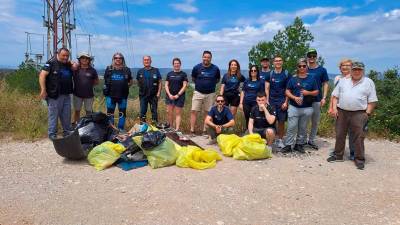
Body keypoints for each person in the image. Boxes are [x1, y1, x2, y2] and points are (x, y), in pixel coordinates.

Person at [328, 61, 378, 170]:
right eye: (354, 69)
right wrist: (334, 108)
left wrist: (367, 114)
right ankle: (338, 155)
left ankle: (359, 159)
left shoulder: (368, 82)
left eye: (359, 69)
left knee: (358, 137)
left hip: (359, 113)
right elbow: (335, 96)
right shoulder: (343, 81)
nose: (356, 71)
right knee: (340, 134)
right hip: (342, 112)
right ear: (351, 70)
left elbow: (372, 100)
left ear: (363, 71)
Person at [281, 58, 319, 153]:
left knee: (303, 128)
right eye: (300, 66)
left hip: (307, 107)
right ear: (297, 67)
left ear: (306, 67)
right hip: (294, 107)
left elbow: (316, 92)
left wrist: (308, 92)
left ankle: (299, 144)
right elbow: (287, 91)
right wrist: (294, 97)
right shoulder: (293, 79)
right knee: (291, 127)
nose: (302, 68)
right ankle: (288, 145)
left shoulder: (312, 78)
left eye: (304, 66)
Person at [39, 47, 75, 139]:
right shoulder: (50, 63)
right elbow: (42, 75)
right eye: (63, 55)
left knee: (66, 115)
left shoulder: (67, 64)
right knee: (53, 115)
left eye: (67, 56)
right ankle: (52, 134)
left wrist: (73, 63)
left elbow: (74, 67)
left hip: (66, 94)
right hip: (54, 95)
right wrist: (43, 90)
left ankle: (67, 132)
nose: (65, 57)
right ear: (58, 54)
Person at [328, 58, 355, 159]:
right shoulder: (337, 78)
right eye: (343, 65)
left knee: (353, 132)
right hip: (339, 108)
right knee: (340, 132)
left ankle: (353, 153)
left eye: (348, 65)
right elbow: (334, 94)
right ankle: (338, 152)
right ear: (340, 68)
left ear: (352, 67)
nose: (345, 67)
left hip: (353, 110)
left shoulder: (355, 77)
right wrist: (331, 107)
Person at [190, 51, 221, 135]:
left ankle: (205, 131)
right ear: (202, 57)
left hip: (210, 94)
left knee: (208, 112)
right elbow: (193, 78)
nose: (206, 59)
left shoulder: (215, 68)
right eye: (205, 57)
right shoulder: (197, 67)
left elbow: (217, 80)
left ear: (211, 58)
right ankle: (192, 130)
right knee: (194, 111)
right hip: (198, 93)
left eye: (208, 57)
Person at [265, 55, 291, 148]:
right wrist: (267, 100)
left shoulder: (286, 74)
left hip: (282, 101)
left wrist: (286, 102)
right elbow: (267, 88)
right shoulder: (270, 74)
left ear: (282, 62)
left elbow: (288, 89)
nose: (278, 62)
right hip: (271, 101)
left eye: (280, 60)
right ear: (273, 63)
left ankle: (280, 140)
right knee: (271, 121)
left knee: (281, 121)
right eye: (276, 61)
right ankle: (272, 139)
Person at [306, 48, 329, 150]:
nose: (311, 58)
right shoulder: (303, 68)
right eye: (310, 56)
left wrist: (324, 97)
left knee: (315, 121)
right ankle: (301, 140)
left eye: (313, 56)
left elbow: (325, 84)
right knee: (303, 121)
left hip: (317, 99)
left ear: (316, 57)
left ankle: (311, 140)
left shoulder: (322, 70)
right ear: (307, 57)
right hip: (304, 100)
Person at [103, 52, 132, 130]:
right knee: (110, 114)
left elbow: (130, 81)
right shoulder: (108, 69)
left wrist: (124, 86)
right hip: (110, 96)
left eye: (120, 58)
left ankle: (120, 130)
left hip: (123, 96)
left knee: (122, 114)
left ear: (122, 59)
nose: (118, 59)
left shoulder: (127, 69)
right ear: (113, 59)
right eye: (116, 58)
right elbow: (105, 81)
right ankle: (111, 130)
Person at [72, 52, 99, 124]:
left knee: (88, 111)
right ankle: (76, 125)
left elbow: (97, 81)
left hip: (89, 95)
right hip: (77, 94)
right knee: (77, 110)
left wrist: (88, 84)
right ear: (79, 59)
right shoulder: (75, 69)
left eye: (86, 58)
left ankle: (88, 125)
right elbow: (67, 63)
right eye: (82, 58)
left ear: (89, 60)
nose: (84, 59)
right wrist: (73, 63)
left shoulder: (92, 70)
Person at [137, 56, 162, 123]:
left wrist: (158, 93)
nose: (146, 61)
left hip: (153, 95)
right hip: (143, 96)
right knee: (142, 112)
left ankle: (155, 127)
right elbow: (138, 83)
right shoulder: (140, 71)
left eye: (148, 60)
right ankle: (142, 127)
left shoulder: (156, 70)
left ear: (151, 61)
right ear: (143, 62)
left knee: (154, 112)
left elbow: (160, 82)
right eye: (145, 60)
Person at [165, 58, 188, 130]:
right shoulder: (169, 74)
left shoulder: (183, 74)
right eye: (175, 63)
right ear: (173, 65)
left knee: (178, 113)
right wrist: (169, 95)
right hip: (170, 96)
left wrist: (178, 95)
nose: (176, 65)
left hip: (180, 96)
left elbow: (185, 85)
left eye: (178, 63)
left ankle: (177, 129)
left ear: (180, 64)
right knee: (169, 112)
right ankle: (171, 128)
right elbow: (166, 85)